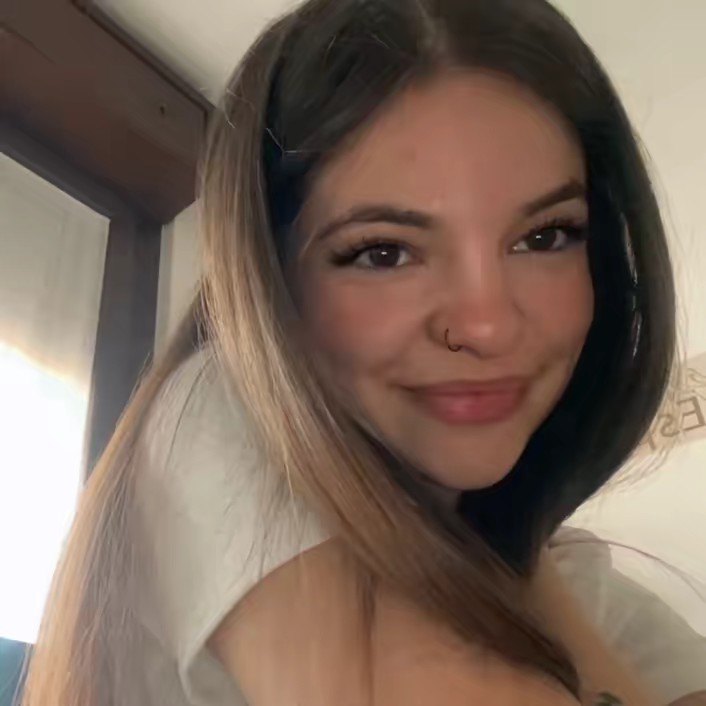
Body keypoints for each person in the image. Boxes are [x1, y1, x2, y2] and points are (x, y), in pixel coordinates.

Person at [19, 0, 706, 704]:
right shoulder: (226, 411)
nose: (488, 327)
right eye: (384, 252)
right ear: (273, 284)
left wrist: (525, 543)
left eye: (544, 237)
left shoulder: (575, 574)